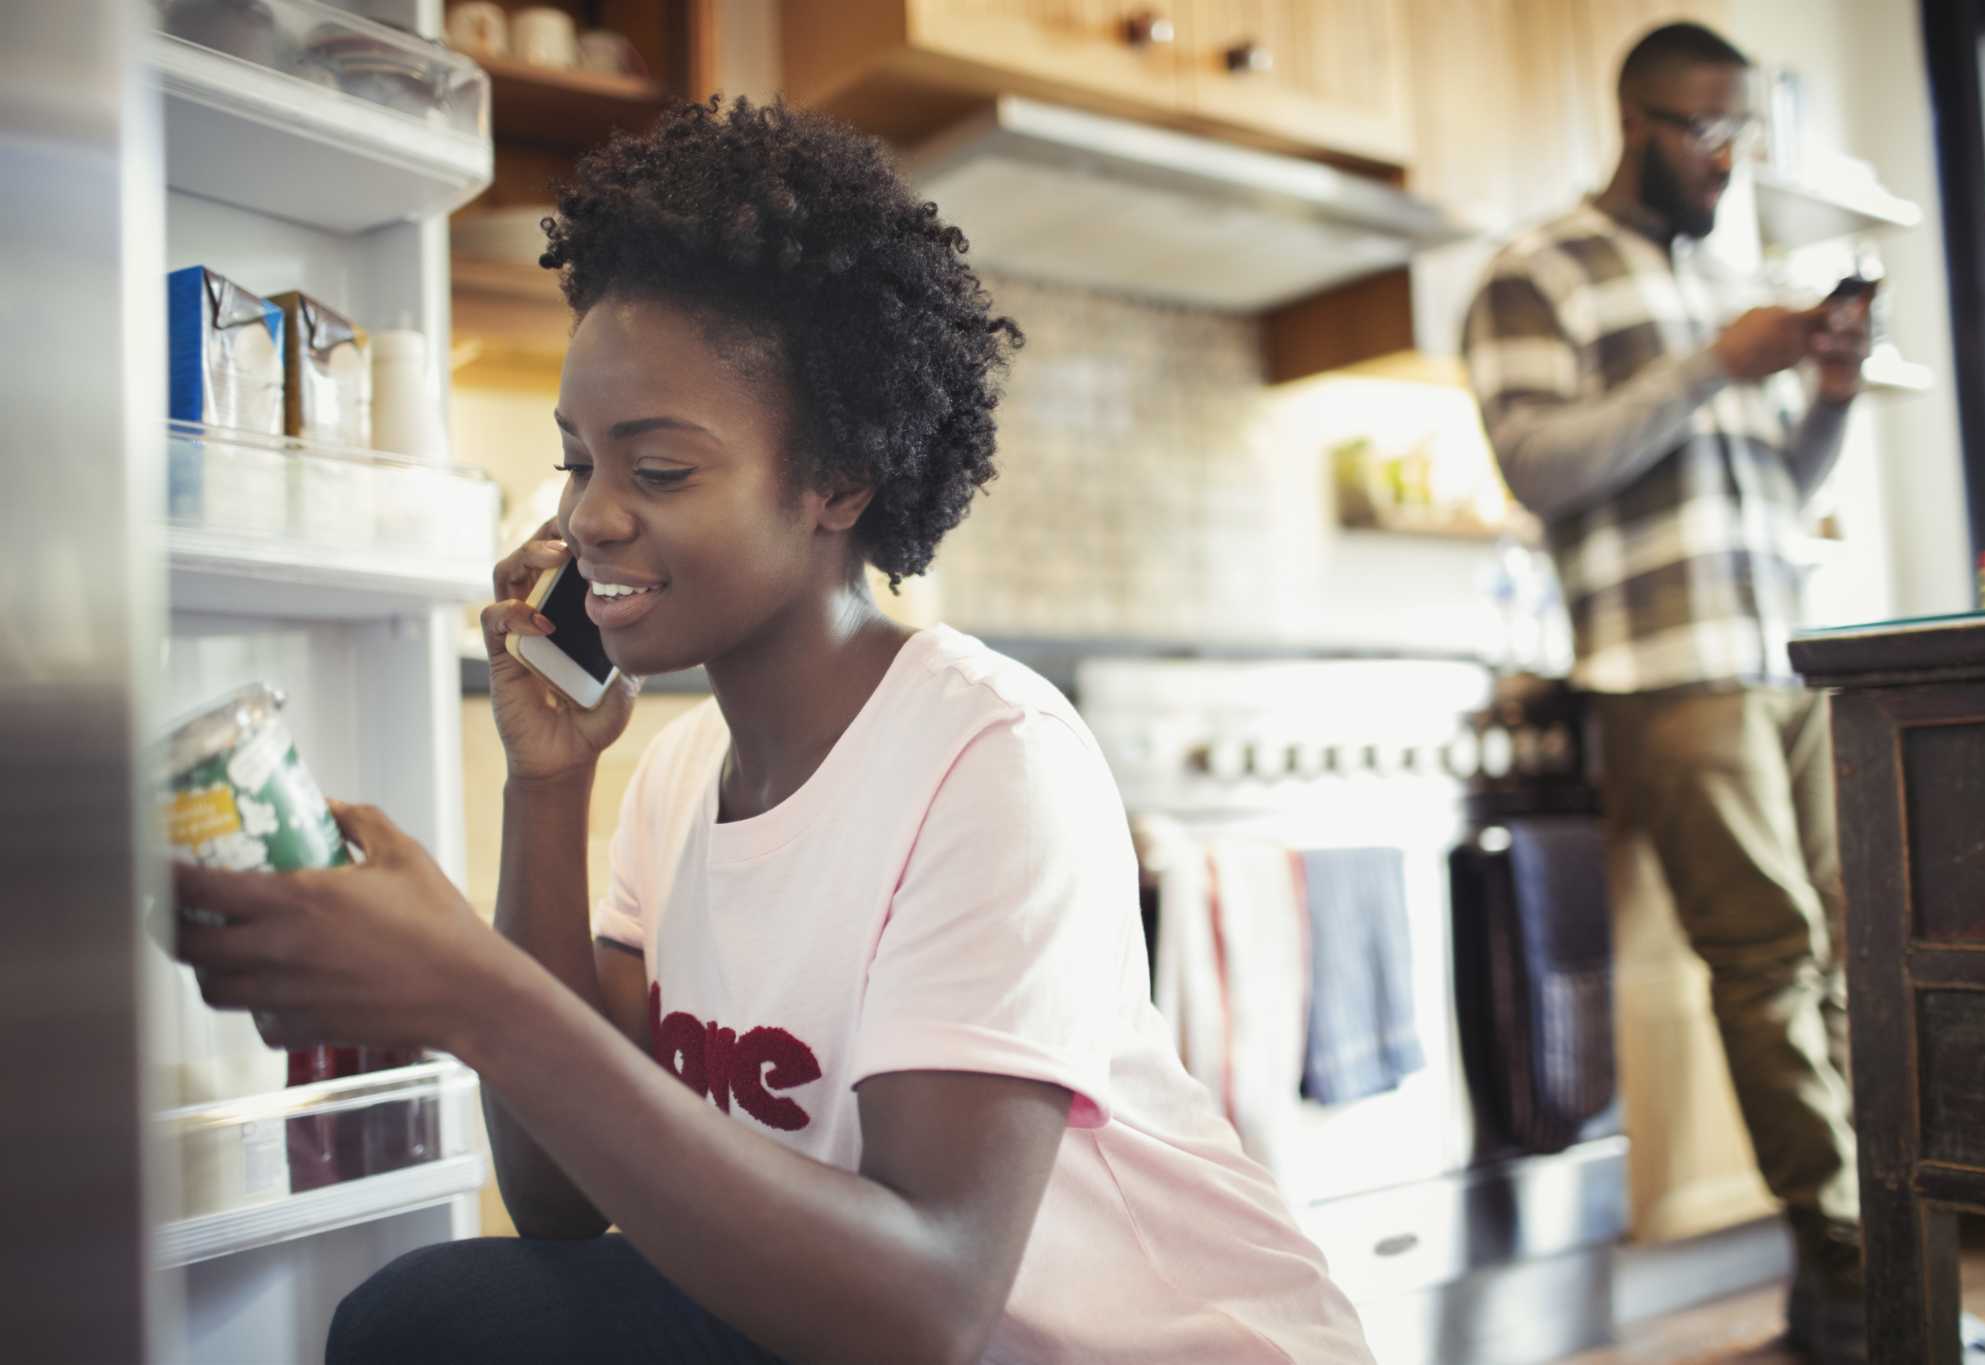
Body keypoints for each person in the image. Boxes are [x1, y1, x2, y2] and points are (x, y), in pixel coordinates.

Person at [174, 97, 1371, 1364]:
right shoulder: (680, 771)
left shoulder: (989, 759)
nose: (588, 518)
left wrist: (476, 998)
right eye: (579, 461)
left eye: (660, 471)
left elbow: (929, 1308)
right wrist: (547, 788)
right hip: (850, 1331)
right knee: (433, 1317)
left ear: (834, 484)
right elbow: (561, 1201)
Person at [1463, 22, 1985, 1365]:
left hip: (1782, 655)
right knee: (1771, 965)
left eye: (1743, 137)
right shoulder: (1532, 272)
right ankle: (1866, 1281)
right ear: (1636, 121)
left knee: (1850, 963)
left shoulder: (1719, 277)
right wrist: (1716, 360)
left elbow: (1782, 488)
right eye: (1709, 135)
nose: (1727, 164)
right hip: (1666, 674)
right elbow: (1539, 464)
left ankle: (1857, 1284)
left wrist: (1822, 387)